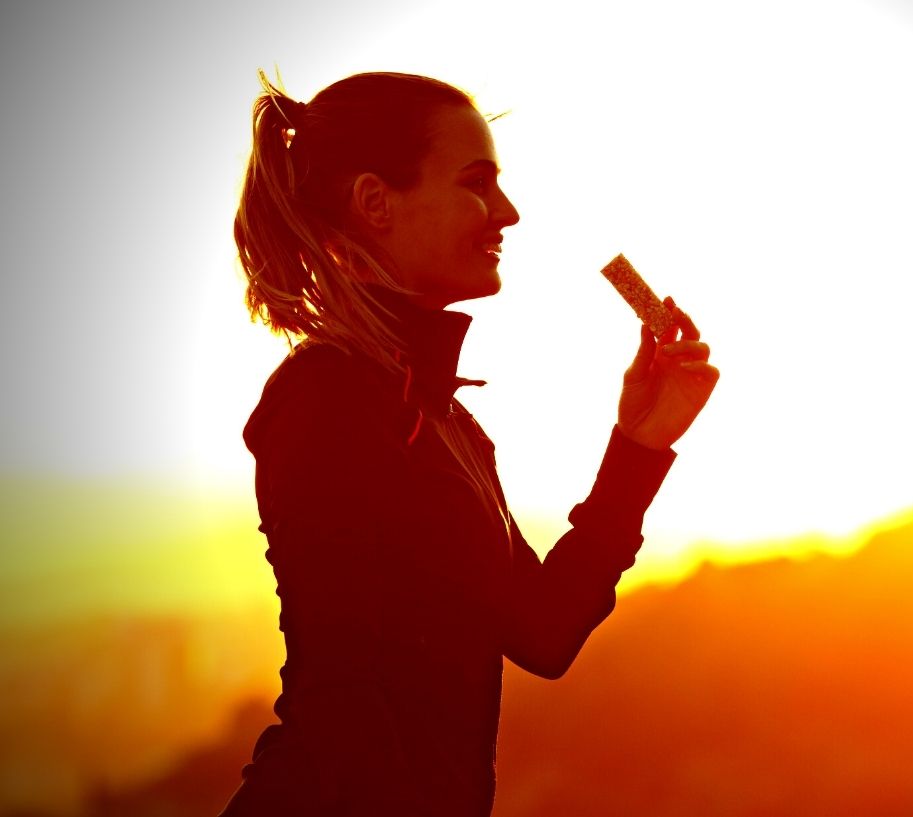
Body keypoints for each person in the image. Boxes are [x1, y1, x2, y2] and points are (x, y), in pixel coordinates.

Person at [219, 71, 718, 816]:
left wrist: (639, 444)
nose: (508, 212)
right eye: (477, 184)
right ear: (375, 204)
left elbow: (544, 631)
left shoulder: (445, 421)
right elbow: (341, 716)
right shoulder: (325, 404)